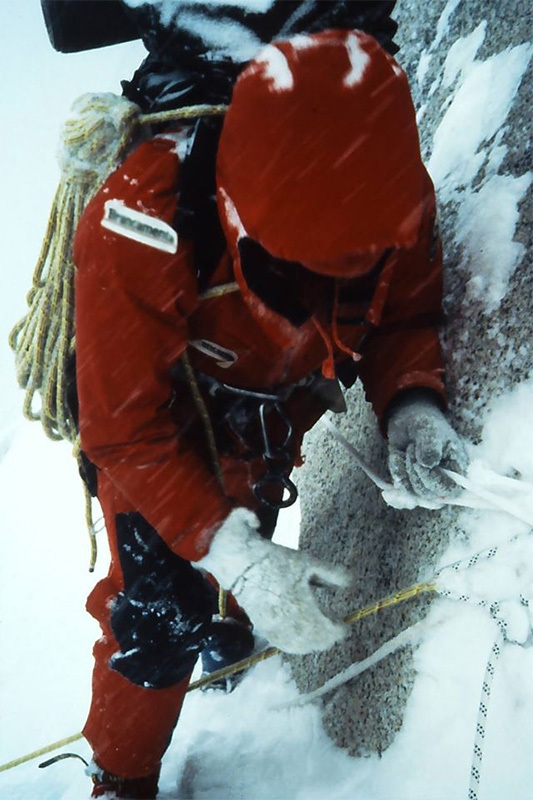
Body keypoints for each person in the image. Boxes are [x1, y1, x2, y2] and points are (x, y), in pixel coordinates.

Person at [38, 2, 468, 797]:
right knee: (158, 613)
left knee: (247, 525)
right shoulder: (141, 220)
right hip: (160, 426)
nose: (332, 287)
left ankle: (232, 641)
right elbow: (124, 430)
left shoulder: (387, 191)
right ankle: (120, 778)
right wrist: (229, 552)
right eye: (302, 267)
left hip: (266, 419)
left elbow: (403, 311)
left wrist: (412, 399)